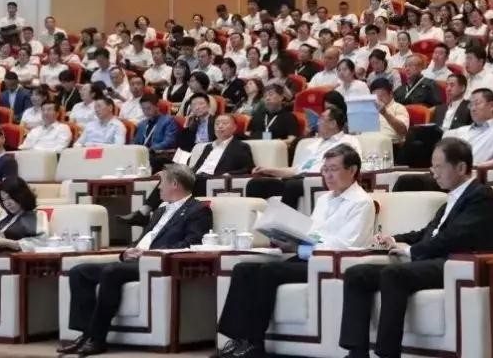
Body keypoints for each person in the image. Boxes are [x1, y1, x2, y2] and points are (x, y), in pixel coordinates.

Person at [339, 138, 493, 358]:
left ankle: (387, 354)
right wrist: (394, 239)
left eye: (439, 167)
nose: (433, 173)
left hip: (454, 263)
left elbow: (454, 237)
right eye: (432, 167)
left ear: (461, 167)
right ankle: (356, 353)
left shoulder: (480, 196)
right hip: (431, 261)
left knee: (394, 274)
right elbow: (427, 233)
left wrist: (410, 251)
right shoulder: (450, 200)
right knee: (357, 274)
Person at [216, 144, 374, 358]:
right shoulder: (324, 199)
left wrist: (301, 248)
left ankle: (254, 344)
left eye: (334, 169)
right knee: (244, 269)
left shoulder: (361, 202)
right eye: (325, 169)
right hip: (307, 256)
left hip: (330, 266)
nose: (327, 175)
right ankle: (236, 339)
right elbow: (312, 233)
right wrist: (287, 237)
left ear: (352, 170)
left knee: (269, 272)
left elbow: (344, 245)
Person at [59, 165, 212, 357]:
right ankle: (85, 334)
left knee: (112, 272)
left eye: (162, 183)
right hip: (135, 260)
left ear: (174, 184)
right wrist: (126, 253)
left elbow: (192, 243)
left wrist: (152, 254)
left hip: (157, 264)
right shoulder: (160, 210)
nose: (159, 188)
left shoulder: (198, 210)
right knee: (79, 271)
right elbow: (143, 239)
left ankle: (97, 339)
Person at [121, 114, 254, 227]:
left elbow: (248, 169)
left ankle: (145, 214)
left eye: (224, 123)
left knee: (178, 178)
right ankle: (147, 213)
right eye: (217, 123)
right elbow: (196, 167)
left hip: (213, 180)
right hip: (197, 177)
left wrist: (228, 174)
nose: (220, 126)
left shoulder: (240, 146)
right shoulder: (208, 147)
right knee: (169, 174)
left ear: (234, 127)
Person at [246, 106, 360, 208]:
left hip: (319, 181)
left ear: (333, 123)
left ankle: (285, 223)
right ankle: (256, 223)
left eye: (321, 119)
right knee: (255, 184)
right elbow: (295, 170)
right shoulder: (314, 144)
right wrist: (268, 170)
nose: (317, 123)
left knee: (291, 185)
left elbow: (351, 165)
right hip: (297, 179)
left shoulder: (348, 141)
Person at [0, 177, 47, 275]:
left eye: (10, 198)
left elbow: (43, 242)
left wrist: (10, 243)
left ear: (22, 195)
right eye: (3, 200)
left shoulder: (36, 215)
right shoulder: (4, 217)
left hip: (13, 263)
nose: (7, 204)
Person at [369, 78, 410, 158]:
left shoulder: (398, 108)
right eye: (375, 97)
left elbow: (403, 131)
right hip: (370, 144)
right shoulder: (369, 109)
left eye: (381, 96)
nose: (378, 99)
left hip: (392, 146)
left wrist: (385, 113)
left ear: (391, 94)